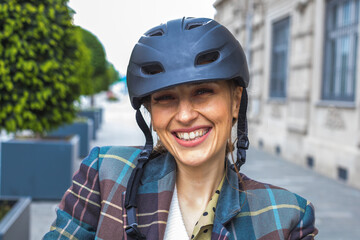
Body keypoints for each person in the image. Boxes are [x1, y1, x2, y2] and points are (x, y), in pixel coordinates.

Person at [43, 17, 318, 240]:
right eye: (165, 98)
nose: (185, 115)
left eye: (203, 91)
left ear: (235, 102)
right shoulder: (105, 175)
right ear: (150, 112)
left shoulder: (285, 217)